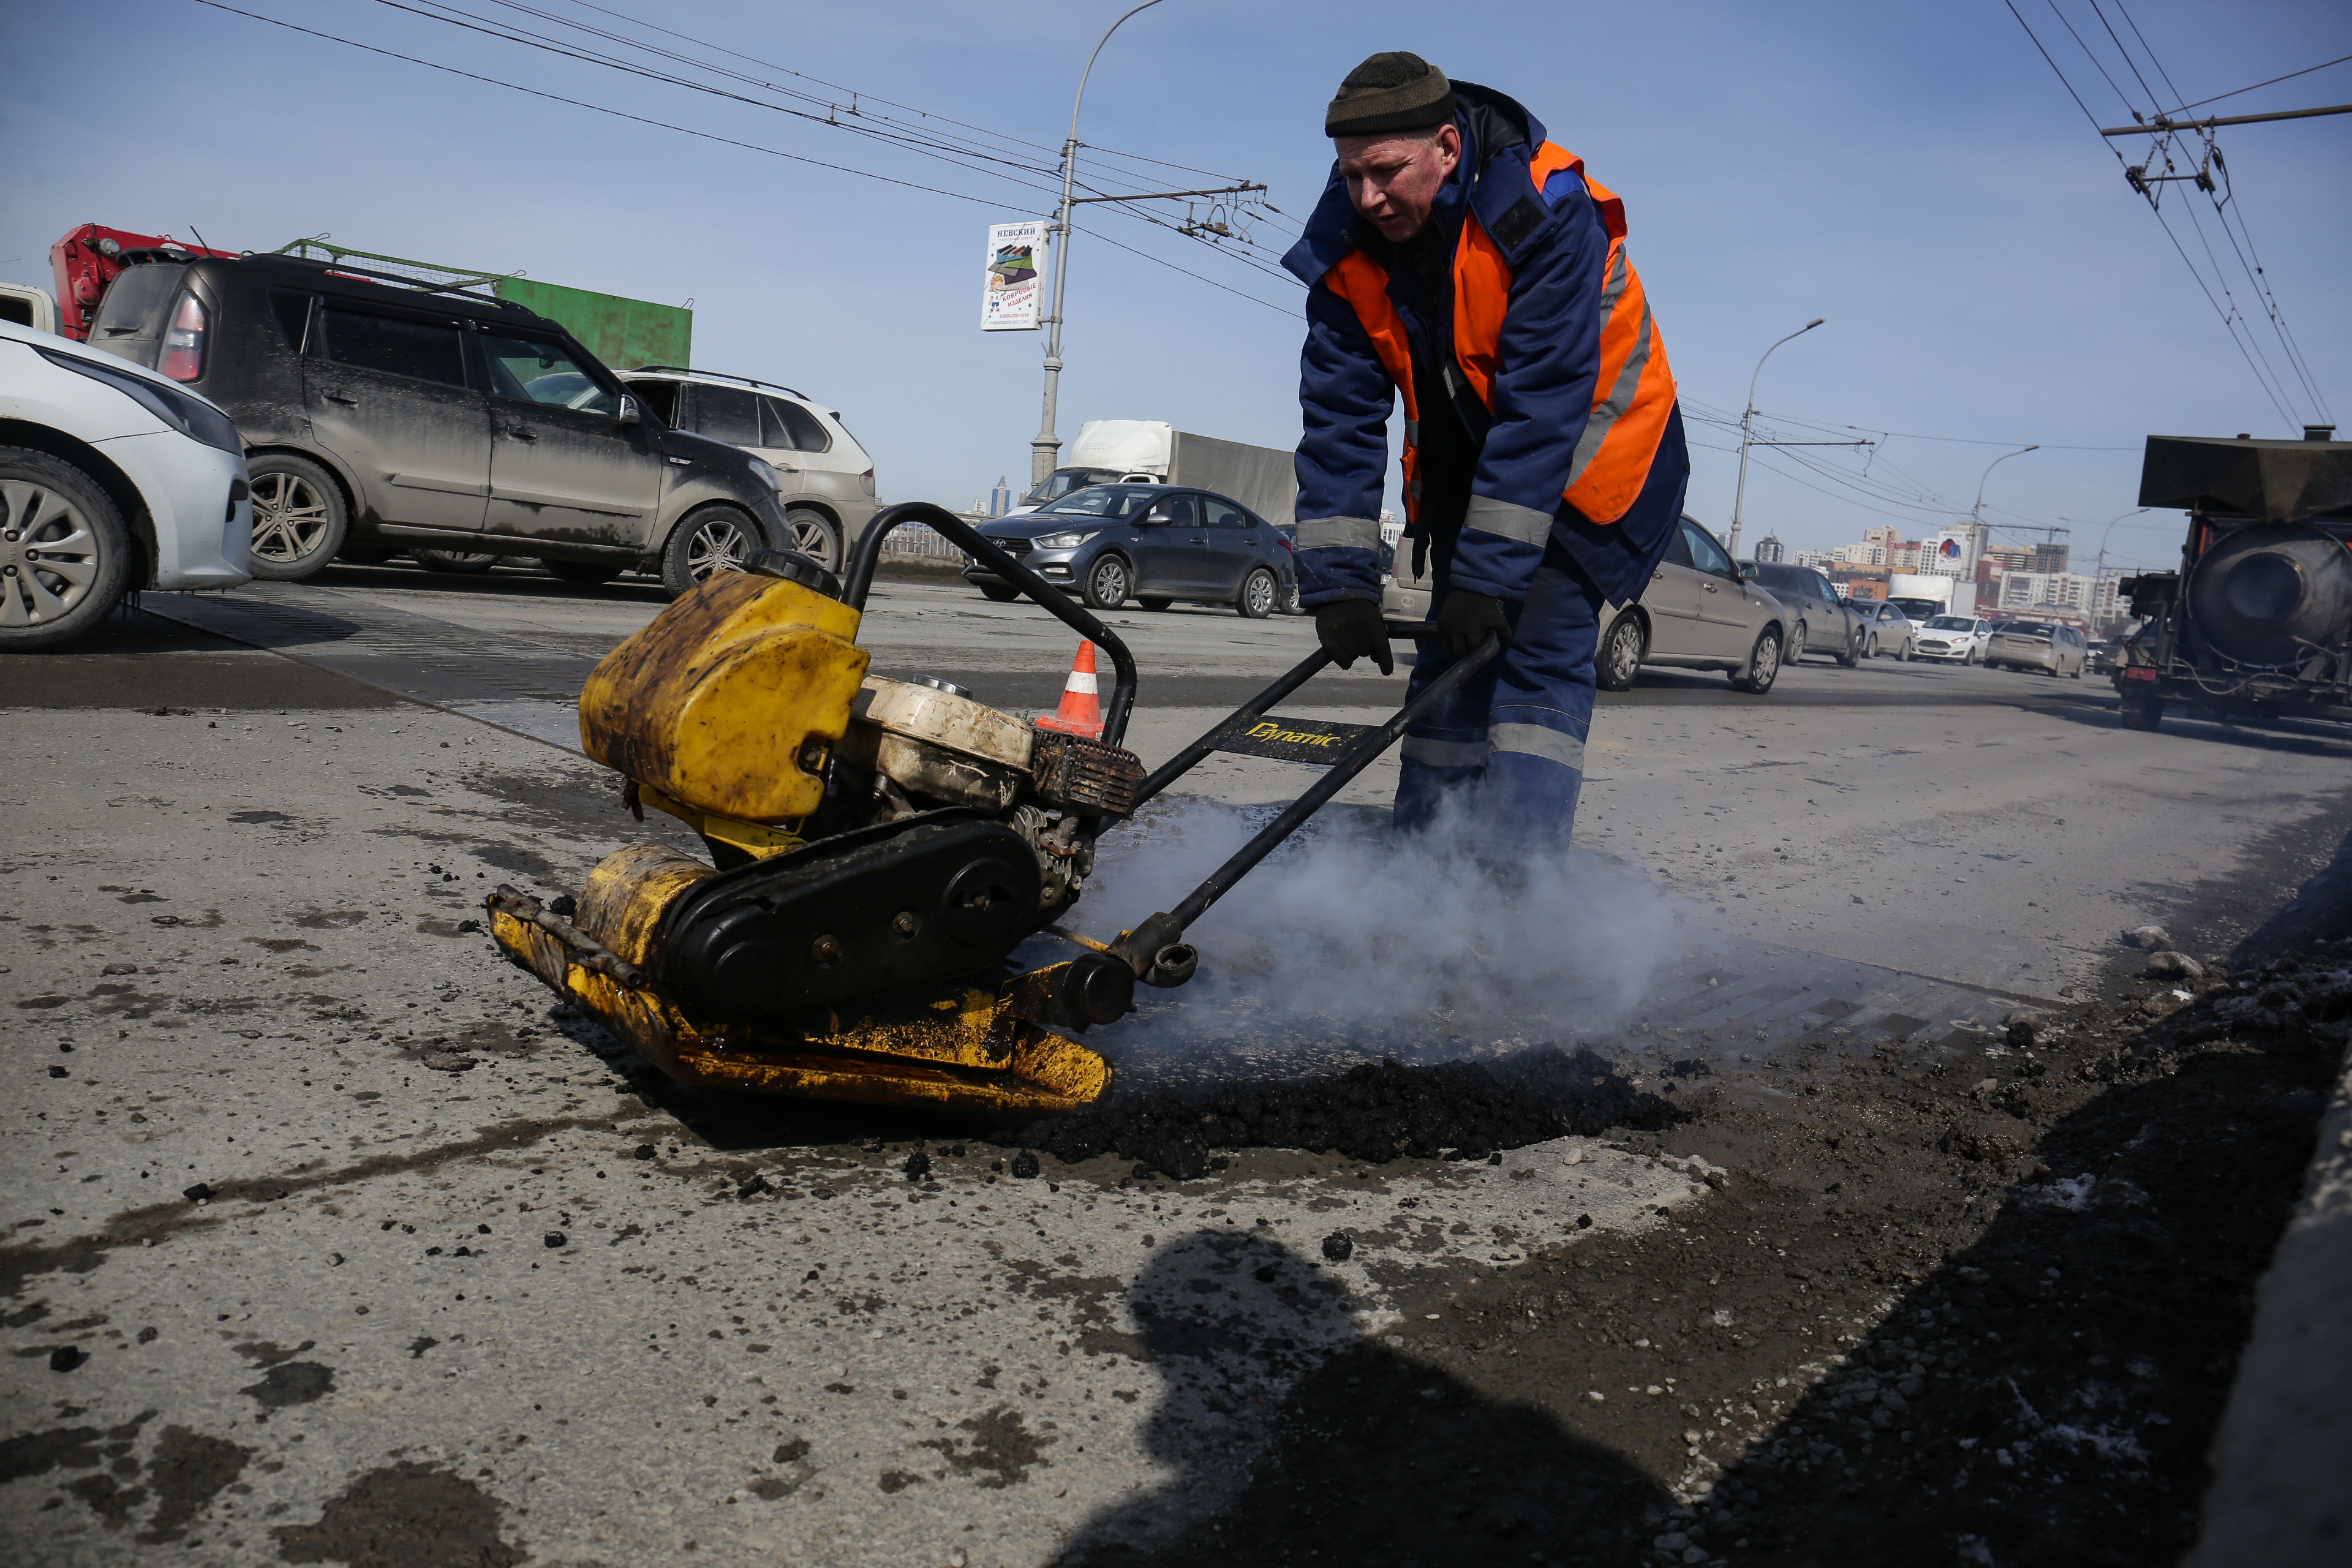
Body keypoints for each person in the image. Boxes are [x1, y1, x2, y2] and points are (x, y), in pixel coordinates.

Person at [1283, 52, 1690, 859]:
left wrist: (1489, 578)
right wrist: (1340, 585)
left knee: (1533, 651)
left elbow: (1544, 406)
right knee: (1451, 658)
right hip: (1484, 468)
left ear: (1445, 146)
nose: (1369, 197)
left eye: (1387, 172)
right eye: (1353, 175)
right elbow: (1339, 419)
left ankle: (1515, 888)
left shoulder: (1541, 208)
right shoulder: (1348, 243)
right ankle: (1423, 868)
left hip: (1594, 464)